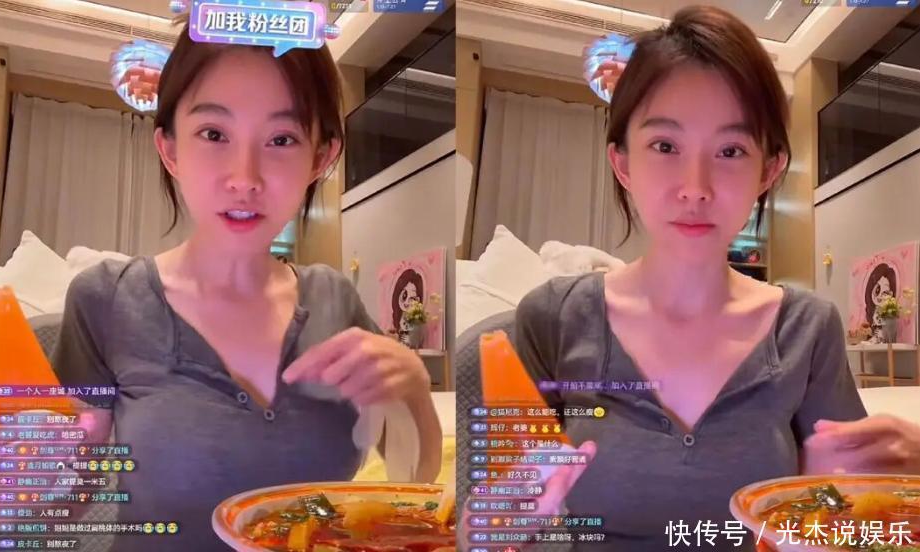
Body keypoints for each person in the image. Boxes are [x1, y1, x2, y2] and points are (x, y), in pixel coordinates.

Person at [511, 6, 920, 550]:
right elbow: (492, 518)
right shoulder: (552, 320)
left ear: (768, 170)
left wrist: (893, 481)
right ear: (623, 163)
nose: (696, 187)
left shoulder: (806, 329)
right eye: (665, 146)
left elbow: (842, 514)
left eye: (730, 150)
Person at [50, 15, 442, 551]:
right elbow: (63, 497)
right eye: (214, 134)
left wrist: (414, 388)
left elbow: (412, 488)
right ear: (170, 149)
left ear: (320, 157)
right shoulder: (107, 300)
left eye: (281, 139)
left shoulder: (334, 300)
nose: (245, 178)